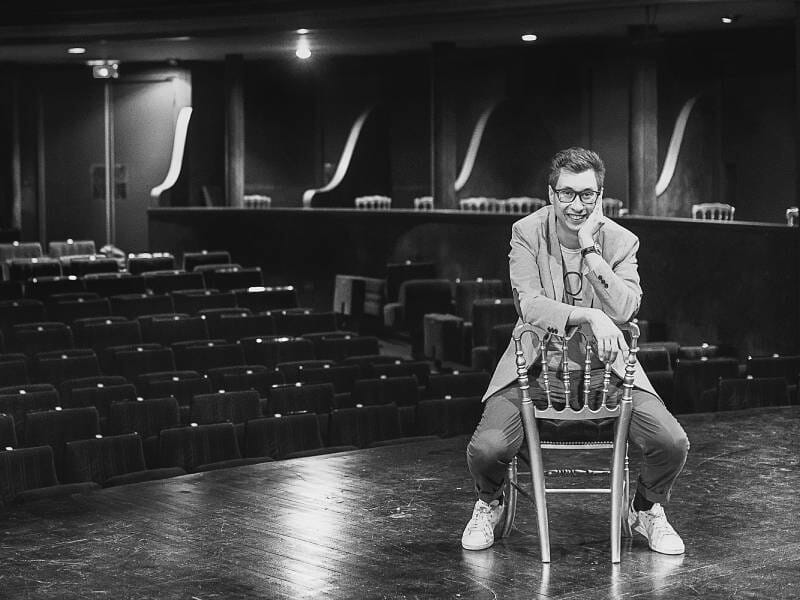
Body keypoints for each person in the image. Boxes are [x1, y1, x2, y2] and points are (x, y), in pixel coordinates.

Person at [461, 147, 689, 555]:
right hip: (536, 369)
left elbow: (624, 307)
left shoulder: (620, 240)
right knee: (487, 448)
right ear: (551, 194)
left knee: (672, 443)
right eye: (567, 193)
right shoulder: (526, 232)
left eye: (587, 195)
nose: (577, 205)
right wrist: (588, 316)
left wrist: (589, 248)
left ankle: (645, 509)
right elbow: (528, 304)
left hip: (608, 373)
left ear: (599, 196)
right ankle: (489, 502)